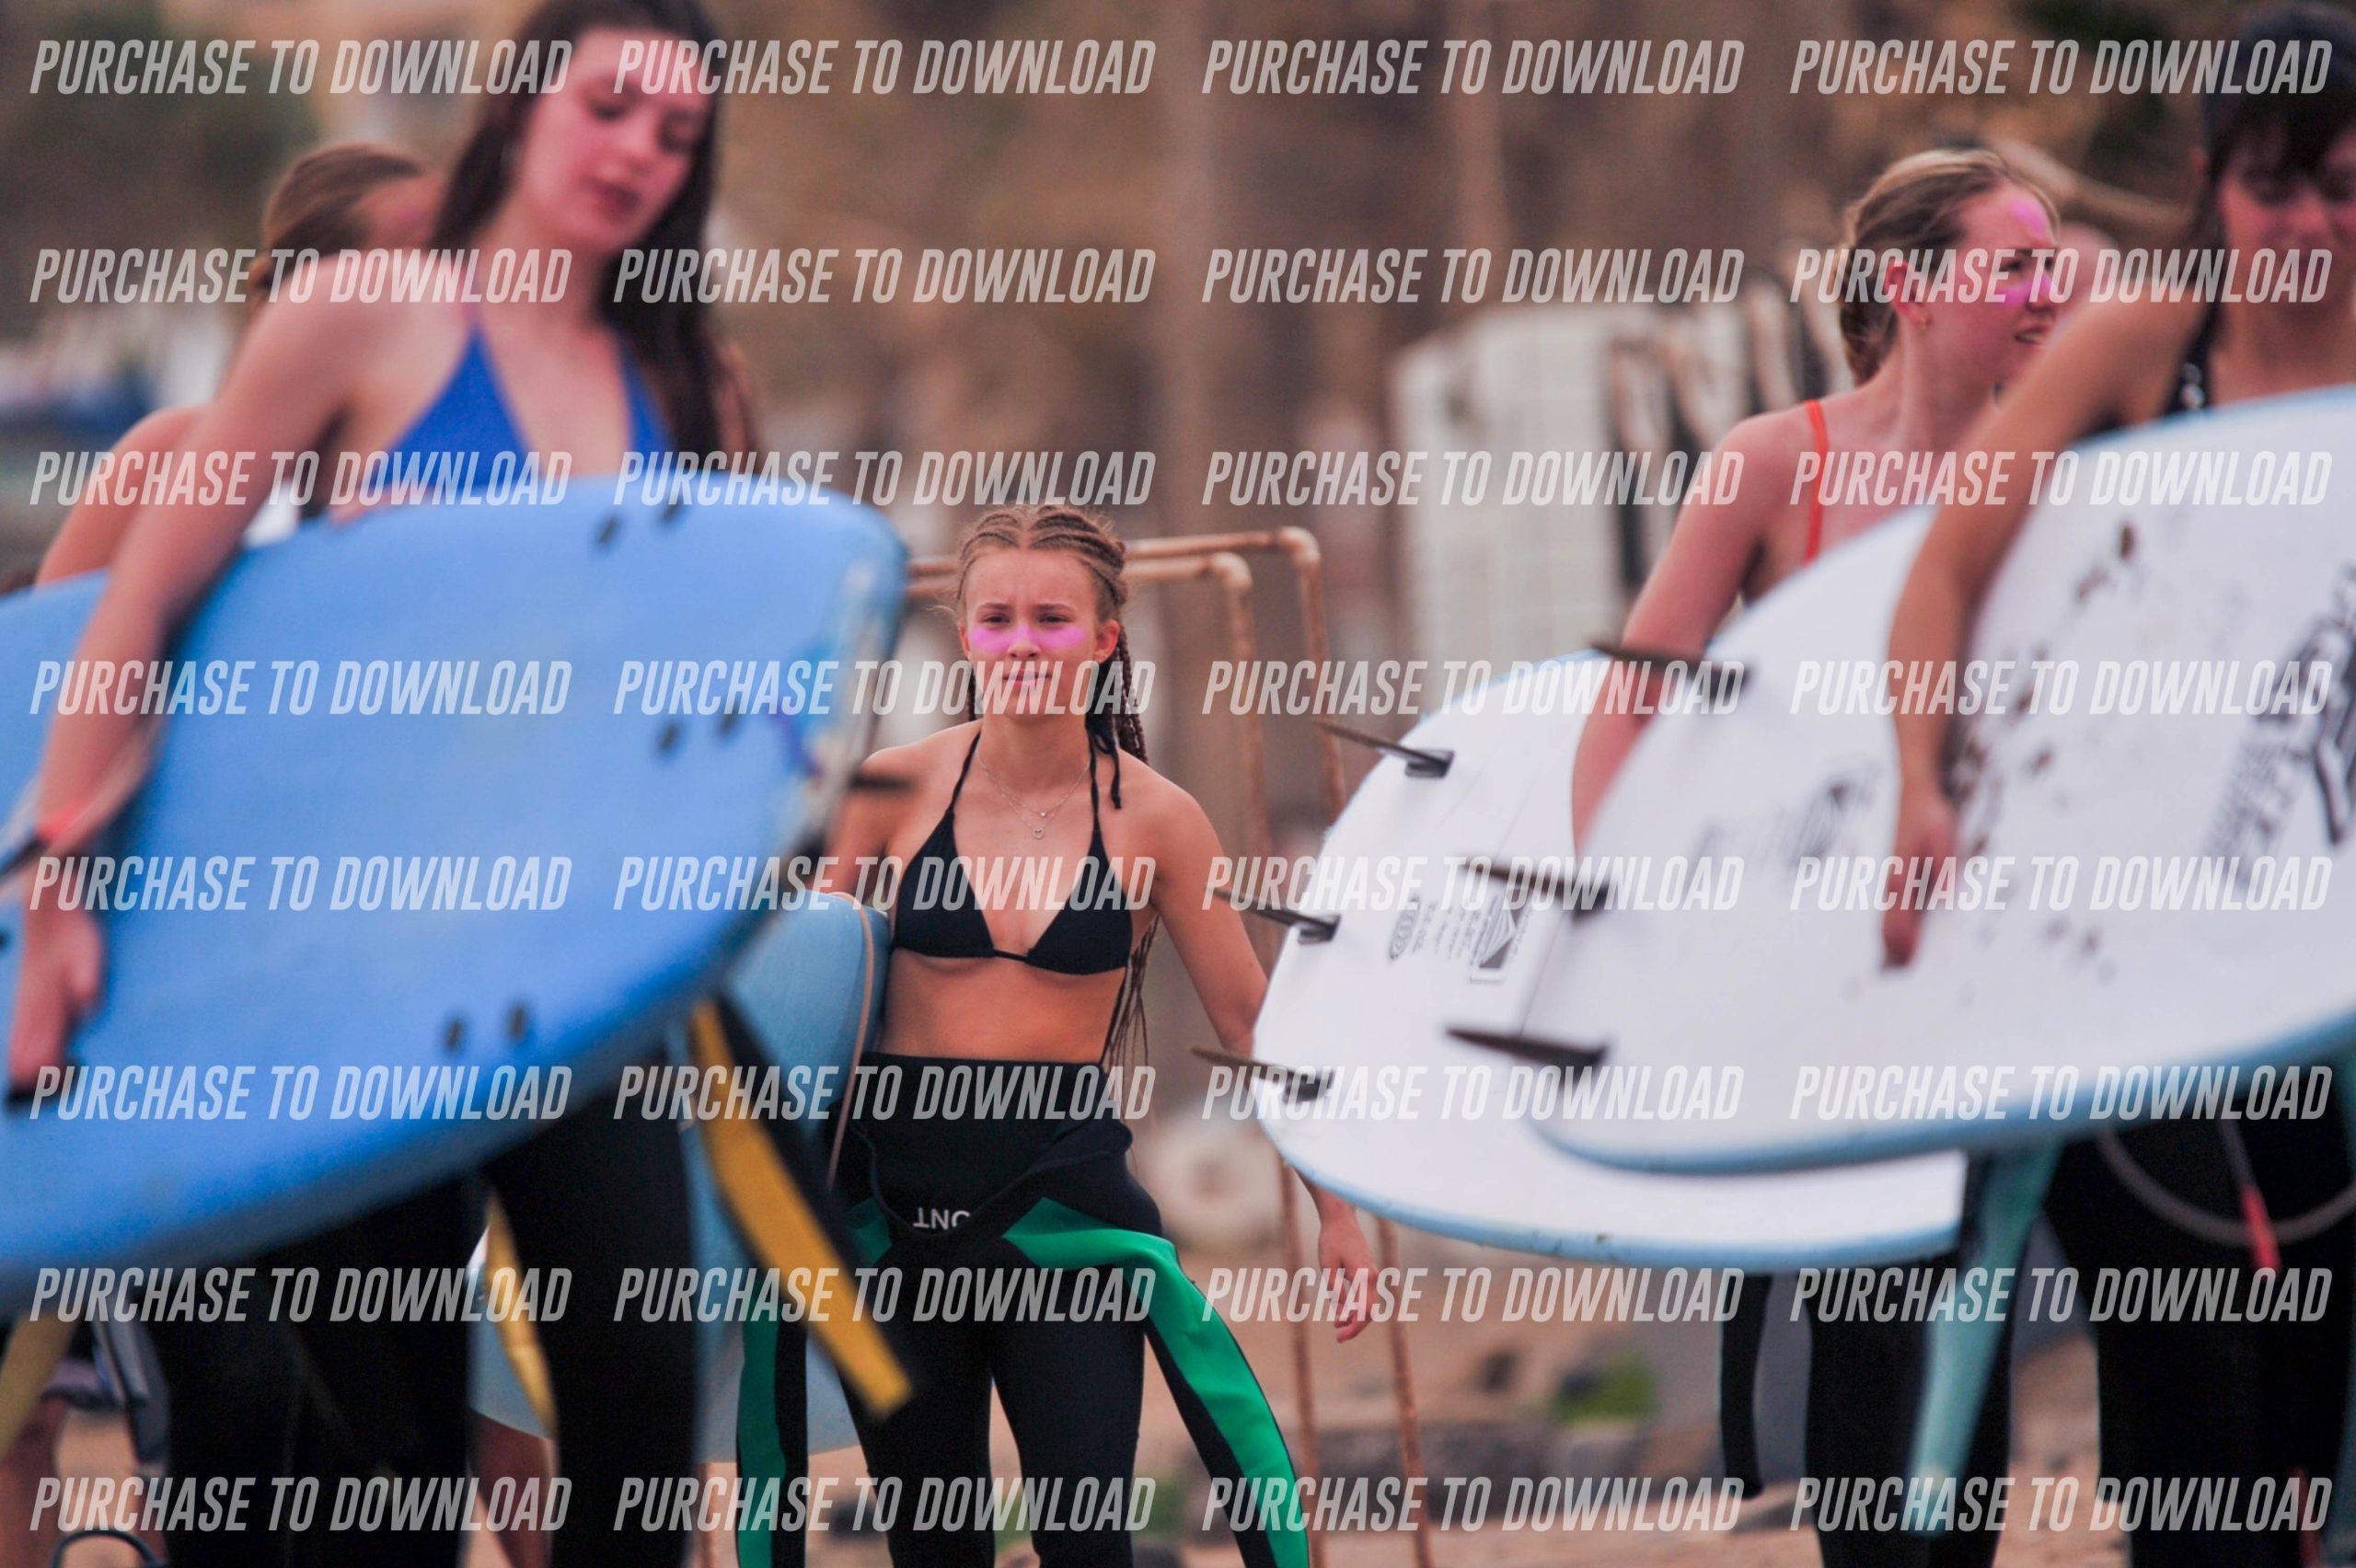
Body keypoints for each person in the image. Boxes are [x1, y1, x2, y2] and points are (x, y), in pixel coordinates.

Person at [6, 2, 745, 1562]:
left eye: (678, 133)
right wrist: (57, 882)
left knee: (641, 1406)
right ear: (522, 108)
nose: (639, 153)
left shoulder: (676, 375)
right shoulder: (362, 322)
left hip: (574, 957)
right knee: (384, 1458)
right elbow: (123, 618)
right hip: (351, 971)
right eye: (610, 106)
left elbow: (693, 679)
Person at [1883, 8, 2356, 1564]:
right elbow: (1944, 576)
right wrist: (1923, 782)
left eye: (2344, 188)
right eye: (2275, 186)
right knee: (2190, 1304)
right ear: (2213, 178)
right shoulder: (2145, 349)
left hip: (2337, 899)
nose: (2308, 227)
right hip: (2150, 900)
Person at [1570, 148, 2060, 1567]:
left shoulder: (2060, 461)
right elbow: (1635, 697)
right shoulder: (1779, 464)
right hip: (1820, 960)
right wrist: (1611, 917)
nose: (2047, 290)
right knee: (1866, 1306)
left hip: (1996, 948)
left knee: (1972, 1291)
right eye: (2015, 263)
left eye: (2052, 263)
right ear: (1910, 285)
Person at [2, 139, 434, 1568]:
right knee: (236, 1395)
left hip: (374, 1024)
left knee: (385, 1444)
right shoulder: (171, 458)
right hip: (178, 1021)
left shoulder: (447, 498)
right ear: (292, 289)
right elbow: (37, 701)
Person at [803, 503, 1375, 1568]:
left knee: (1084, 1541)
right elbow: (799, 987)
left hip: (1060, 1205)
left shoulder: (1161, 820)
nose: (1022, 644)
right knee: (933, 1547)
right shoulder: (889, 787)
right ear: (965, 635)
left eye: (1052, 620)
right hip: (897, 1210)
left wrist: (1335, 1208)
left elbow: (1249, 1020)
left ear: (1105, 638)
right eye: (997, 619)